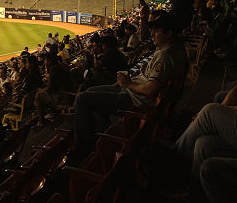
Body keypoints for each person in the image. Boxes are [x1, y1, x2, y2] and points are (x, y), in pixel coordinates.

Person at [73, 11, 186, 151]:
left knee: (82, 99)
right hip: (133, 92)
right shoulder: (177, 50)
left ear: (168, 34)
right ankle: (104, 135)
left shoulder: (164, 55)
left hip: (134, 99)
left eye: (156, 31)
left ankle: (85, 147)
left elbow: (151, 90)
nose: (152, 34)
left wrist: (128, 83)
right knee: (90, 92)